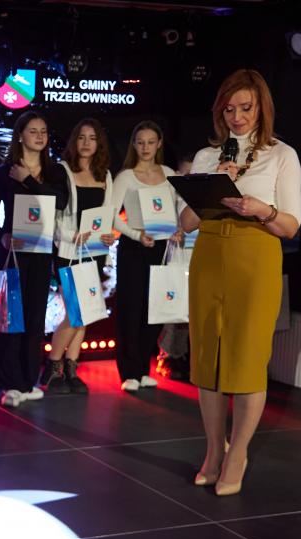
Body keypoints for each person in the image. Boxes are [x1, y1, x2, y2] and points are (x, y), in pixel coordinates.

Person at [180, 69, 301, 496]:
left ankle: (238, 453)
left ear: (261, 108)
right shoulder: (207, 156)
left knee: (247, 359)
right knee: (207, 359)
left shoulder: (281, 155)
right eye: (229, 109)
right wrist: (216, 182)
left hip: (256, 256)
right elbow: (186, 222)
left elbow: (290, 226)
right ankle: (215, 450)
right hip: (210, 256)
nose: (237, 117)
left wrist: (261, 210)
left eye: (245, 108)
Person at [0, 111, 68, 407]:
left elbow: (60, 202)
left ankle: (27, 380)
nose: (40, 136)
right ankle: (10, 383)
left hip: (40, 254)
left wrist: (29, 180)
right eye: (33, 131)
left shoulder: (55, 172)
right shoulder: (4, 172)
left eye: (43, 131)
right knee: (10, 319)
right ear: (20, 135)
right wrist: (2, 236)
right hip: (11, 254)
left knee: (34, 319)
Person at [40, 118, 116, 394]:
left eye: (92, 138)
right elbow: (52, 214)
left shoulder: (105, 174)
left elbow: (107, 213)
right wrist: (71, 235)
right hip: (69, 252)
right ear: (74, 141)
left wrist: (108, 235)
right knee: (76, 311)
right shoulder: (62, 171)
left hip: (94, 252)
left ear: (99, 143)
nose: (86, 143)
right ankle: (52, 367)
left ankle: (71, 369)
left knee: (86, 314)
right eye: (82, 137)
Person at [109, 121, 183, 392]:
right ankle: (129, 371)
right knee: (131, 309)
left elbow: (178, 208)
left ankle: (142, 369)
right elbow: (111, 215)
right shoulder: (125, 177)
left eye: (151, 142)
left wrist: (178, 229)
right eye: (140, 142)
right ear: (134, 144)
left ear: (159, 143)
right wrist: (135, 234)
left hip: (161, 249)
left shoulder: (169, 174)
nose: (145, 147)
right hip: (133, 247)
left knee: (155, 310)